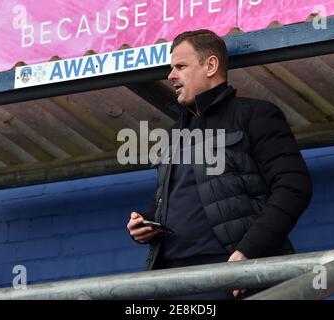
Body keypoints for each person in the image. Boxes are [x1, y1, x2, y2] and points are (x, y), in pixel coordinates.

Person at [127, 29, 312, 299]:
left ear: (211, 65)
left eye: (181, 66)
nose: (171, 76)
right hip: (170, 280)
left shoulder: (256, 115)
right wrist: (143, 225)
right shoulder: (173, 135)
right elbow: (168, 202)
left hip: (231, 274)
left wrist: (249, 251)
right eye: (171, 68)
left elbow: (294, 187)